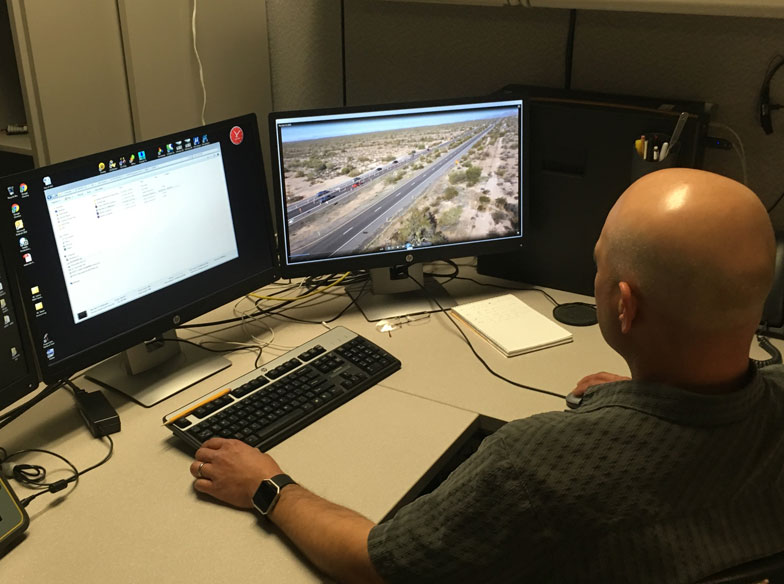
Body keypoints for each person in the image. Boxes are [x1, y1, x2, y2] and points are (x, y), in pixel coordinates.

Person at [189, 168, 784, 583]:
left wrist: (269, 486)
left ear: (624, 306)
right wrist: (642, 401)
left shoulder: (534, 464)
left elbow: (374, 566)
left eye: (599, 263)